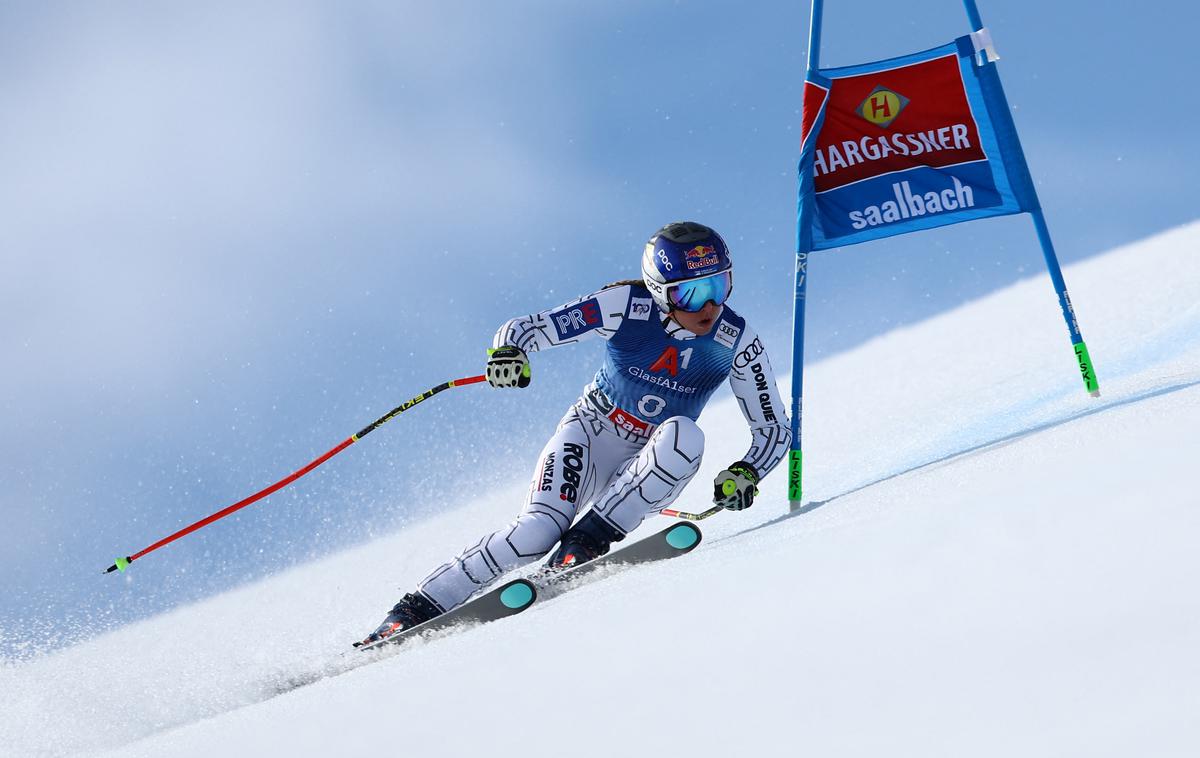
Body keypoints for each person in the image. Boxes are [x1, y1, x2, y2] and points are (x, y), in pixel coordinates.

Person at [361, 221, 791, 644]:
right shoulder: (625, 306)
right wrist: (509, 352)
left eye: (718, 286)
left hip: (647, 463)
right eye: (691, 293)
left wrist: (747, 471)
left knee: (684, 437)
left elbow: (772, 429)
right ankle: (413, 610)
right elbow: (528, 327)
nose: (708, 307)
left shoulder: (735, 340)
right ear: (660, 290)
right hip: (589, 434)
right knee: (534, 534)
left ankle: (587, 542)